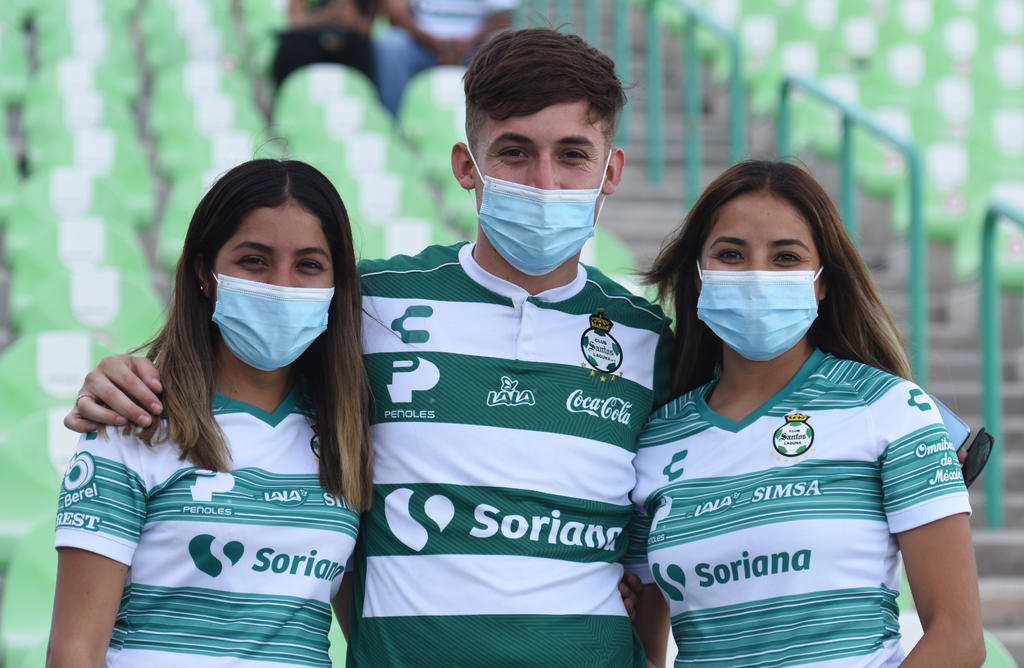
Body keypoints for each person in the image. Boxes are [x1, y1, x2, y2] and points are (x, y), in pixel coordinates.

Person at [64, 29, 674, 667]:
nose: (544, 181)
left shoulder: (648, 339)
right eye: (514, 152)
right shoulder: (364, 306)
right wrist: (119, 377)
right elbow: (244, 355)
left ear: (611, 171)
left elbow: (654, 554)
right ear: (466, 165)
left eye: (573, 154)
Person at [626, 160, 985, 667]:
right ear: (699, 276)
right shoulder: (656, 438)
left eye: (786, 257)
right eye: (731, 254)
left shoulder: (891, 409)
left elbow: (959, 639)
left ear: (822, 281)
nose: (757, 276)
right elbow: (644, 650)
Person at [47, 159, 373, 667]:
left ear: (336, 284)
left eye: (309, 265)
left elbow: (372, 639)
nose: (281, 284)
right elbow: (74, 651)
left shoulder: (349, 434)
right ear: (205, 273)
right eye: (254, 261)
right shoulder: (132, 420)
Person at [373, 0, 516, 116]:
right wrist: (436, 44)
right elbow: (395, 11)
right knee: (392, 45)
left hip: (476, 46)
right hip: (421, 43)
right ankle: (393, 122)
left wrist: (463, 46)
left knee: (502, 44)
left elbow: (503, 16)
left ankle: (496, 121)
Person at [272, 0, 379, 89]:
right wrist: (328, 15)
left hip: (350, 45)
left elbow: (367, 30)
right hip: (310, 42)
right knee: (292, 48)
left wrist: (351, 20)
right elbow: (294, 23)